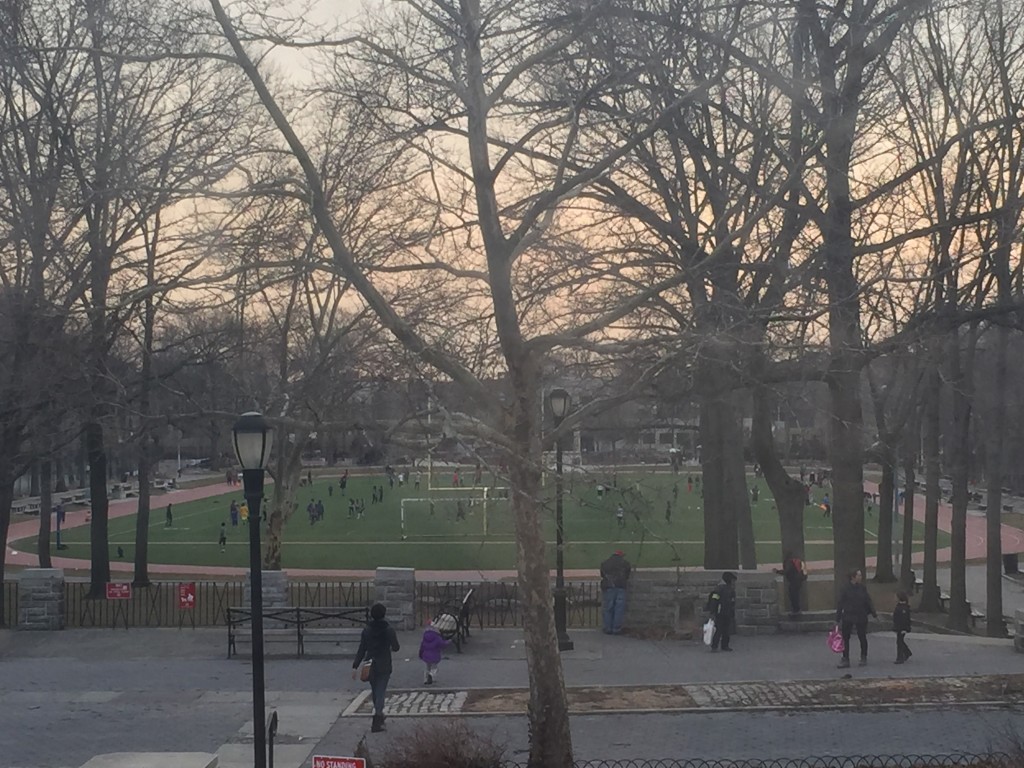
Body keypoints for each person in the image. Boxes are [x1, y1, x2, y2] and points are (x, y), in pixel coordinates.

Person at [352, 603, 401, 732]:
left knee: (375, 690)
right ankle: (378, 718)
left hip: (370, 664)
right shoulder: (388, 629)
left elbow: (362, 649)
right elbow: (396, 647)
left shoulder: (367, 630)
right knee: (381, 691)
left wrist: (355, 666)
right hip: (384, 663)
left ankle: (379, 713)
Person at [836, 568, 877, 668]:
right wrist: (838, 617)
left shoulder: (862, 588)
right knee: (845, 638)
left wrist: (873, 612)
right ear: (853, 577)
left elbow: (868, 600)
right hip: (848, 615)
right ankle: (845, 658)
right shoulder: (845, 588)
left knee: (862, 636)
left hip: (860, 615)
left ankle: (863, 656)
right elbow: (840, 603)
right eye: (859, 575)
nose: (861, 577)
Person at [599, 549, 631, 634]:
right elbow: (627, 575)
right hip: (620, 587)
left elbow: (602, 575)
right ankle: (616, 629)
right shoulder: (626, 564)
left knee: (608, 608)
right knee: (619, 608)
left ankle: (607, 628)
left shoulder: (605, 563)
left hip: (608, 587)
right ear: (621, 555)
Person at [708, 572, 737, 652]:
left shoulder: (724, 589)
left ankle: (723, 645)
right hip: (721, 612)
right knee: (720, 629)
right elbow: (714, 600)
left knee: (725, 630)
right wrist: (713, 611)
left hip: (724, 612)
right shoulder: (721, 589)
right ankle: (717, 646)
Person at [418, 620, 450, 685]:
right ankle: (431, 675)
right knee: (435, 668)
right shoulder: (437, 637)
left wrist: (420, 653)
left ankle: (425, 679)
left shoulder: (425, 637)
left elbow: (422, 646)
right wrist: (448, 642)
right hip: (435, 655)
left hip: (426, 655)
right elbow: (442, 644)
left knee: (427, 667)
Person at [775, 552, 807, 616]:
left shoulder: (789, 562)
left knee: (793, 596)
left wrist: (777, 571)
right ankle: (797, 609)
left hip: (794, 582)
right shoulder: (799, 562)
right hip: (799, 581)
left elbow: (786, 571)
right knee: (795, 595)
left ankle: (796, 610)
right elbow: (804, 572)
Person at [893, 591, 913, 664]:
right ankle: (907, 652)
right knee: (900, 641)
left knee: (899, 642)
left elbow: (905, 620)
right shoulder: (900, 607)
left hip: (901, 628)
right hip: (898, 627)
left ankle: (900, 657)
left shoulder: (903, 608)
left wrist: (905, 629)